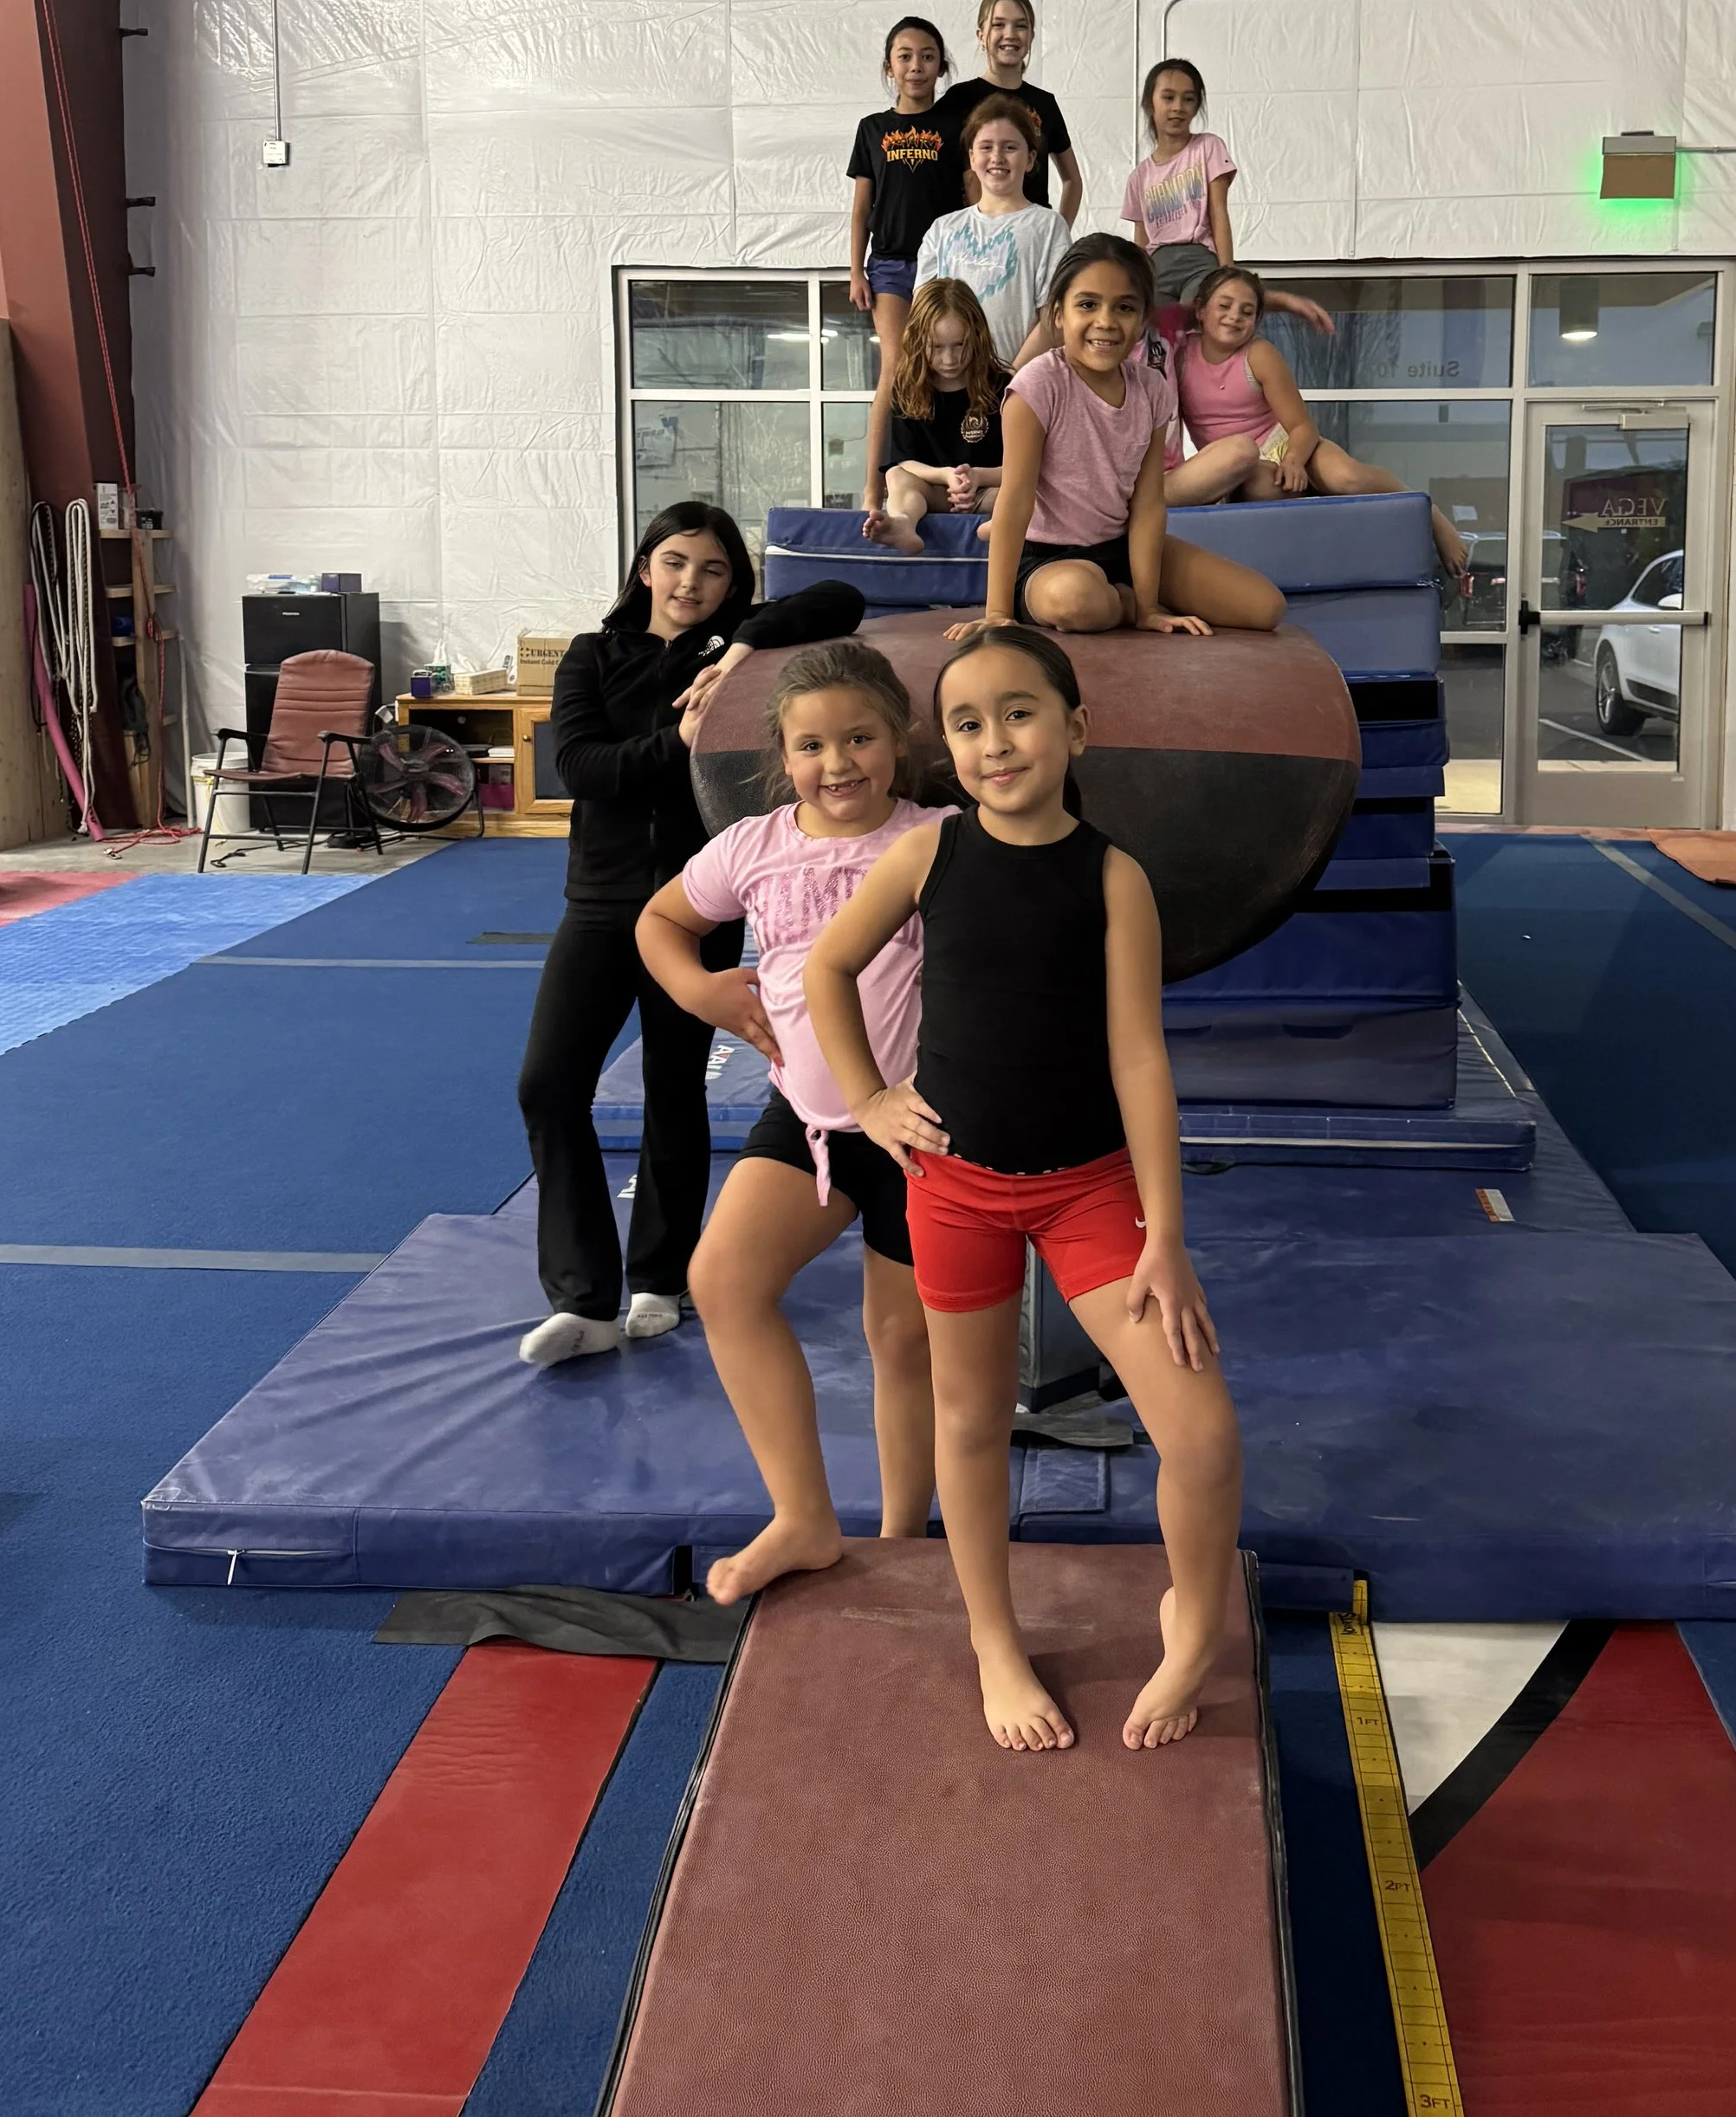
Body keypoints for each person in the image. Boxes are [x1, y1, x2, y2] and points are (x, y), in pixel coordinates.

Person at [805, 622, 1242, 1753]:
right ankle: (993, 1638)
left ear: (1074, 727)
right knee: (968, 1419)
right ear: (944, 750)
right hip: (955, 1189)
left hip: (1090, 1190)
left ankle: (1193, 1622)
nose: (995, 739)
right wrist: (870, 1099)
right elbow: (827, 966)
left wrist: (1166, 1237)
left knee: (1198, 1433)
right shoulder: (928, 857)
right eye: (967, 722)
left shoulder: (1111, 877)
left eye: (1019, 711)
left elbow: (1141, 1057)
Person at [514, 502, 863, 1369]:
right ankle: (581, 1298)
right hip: (600, 907)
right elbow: (580, 766)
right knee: (547, 1083)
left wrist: (742, 651)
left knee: (675, 1087)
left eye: (712, 570)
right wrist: (683, 739)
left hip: (699, 905)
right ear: (644, 568)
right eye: (674, 563)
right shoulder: (595, 656)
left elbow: (841, 597)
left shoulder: (745, 651)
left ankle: (656, 1279)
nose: (690, 584)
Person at [636, 640, 948, 1600]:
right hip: (807, 1123)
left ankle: (901, 1535)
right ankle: (804, 1516)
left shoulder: (937, 838)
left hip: (920, 1132)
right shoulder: (753, 846)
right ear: (781, 753)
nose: (838, 761)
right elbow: (659, 921)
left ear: (899, 739)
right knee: (723, 1280)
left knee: (899, 1338)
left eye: (860, 737)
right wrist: (702, 993)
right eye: (813, 745)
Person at [966, 234, 1283, 642]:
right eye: (1087, 304)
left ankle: (1130, 598)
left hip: (1121, 546)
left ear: (1144, 318)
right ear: (1059, 313)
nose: (1106, 322)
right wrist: (997, 613)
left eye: (1125, 308)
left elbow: (1149, 502)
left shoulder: (1151, 388)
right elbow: (1015, 499)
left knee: (1264, 607)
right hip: (1049, 560)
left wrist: (1150, 607)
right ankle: (1120, 601)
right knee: (1078, 600)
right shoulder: (1039, 384)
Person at [1168, 265, 1471, 573]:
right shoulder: (1179, 356)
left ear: (1257, 321)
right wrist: (1286, 302)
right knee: (1262, 489)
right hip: (1238, 461)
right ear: (1201, 311)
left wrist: (1295, 460)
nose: (1234, 316)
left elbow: (1301, 426)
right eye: (1224, 306)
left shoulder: (1258, 354)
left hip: (1286, 444)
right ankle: (1314, 493)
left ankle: (1429, 513)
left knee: (1347, 478)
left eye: (1247, 312)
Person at [849, 16, 956, 525]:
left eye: (928, 56)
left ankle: (936, 478)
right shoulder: (873, 129)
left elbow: (970, 197)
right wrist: (855, 270)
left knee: (944, 367)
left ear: (941, 66)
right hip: (890, 263)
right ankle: (874, 489)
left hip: (943, 263)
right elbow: (860, 207)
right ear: (889, 65)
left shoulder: (954, 126)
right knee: (895, 370)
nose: (917, 66)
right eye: (906, 56)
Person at [911, 97, 1070, 369]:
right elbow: (924, 315)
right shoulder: (942, 229)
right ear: (972, 157)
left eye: (1010, 147)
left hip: (1020, 386)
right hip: (953, 386)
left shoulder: (1048, 226)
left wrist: (1009, 380)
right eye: (986, 147)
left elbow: (1053, 320)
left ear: (1030, 159)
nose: (997, 157)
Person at [861, 279, 1008, 553]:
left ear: (977, 336)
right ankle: (903, 523)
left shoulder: (1002, 387)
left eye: (960, 344)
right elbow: (904, 461)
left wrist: (977, 476)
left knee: (1035, 491)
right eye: (937, 347)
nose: (950, 359)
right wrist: (945, 476)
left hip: (990, 494)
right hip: (934, 495)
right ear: (918, 340)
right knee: (895, 475)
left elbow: (1022, 466)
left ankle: (1001, 524)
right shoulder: (907, 389)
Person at [936, 0, 1081, 224]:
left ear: (1032, 36)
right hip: (976, 239)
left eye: (1020, 26)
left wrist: (1059, 232)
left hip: (1031, 235)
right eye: (998, 25)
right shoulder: (958, 99)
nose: (1010, 34)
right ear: (981, 36)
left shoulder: (1044, 103)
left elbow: (1072, 180)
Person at [1119, 56, 1235, 317]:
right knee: (1158, 327)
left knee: (1192, 312)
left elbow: (1219, 212)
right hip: (1157, 265)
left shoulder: (1208, 147)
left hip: (1200, 260)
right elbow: (1142, 240)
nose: (1178, 107)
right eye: (1168, 98)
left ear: (1197, 107)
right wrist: (1138, 282)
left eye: (1188, 99)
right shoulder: (1139, 176)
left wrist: (1229, 274)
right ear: (1150, 103)